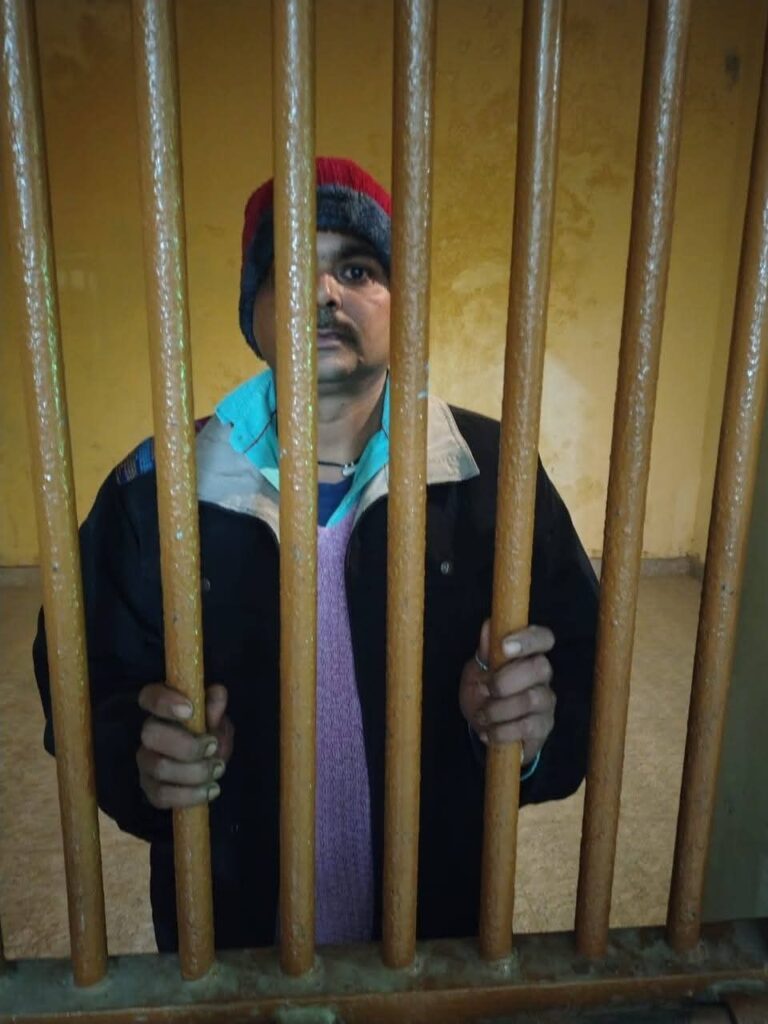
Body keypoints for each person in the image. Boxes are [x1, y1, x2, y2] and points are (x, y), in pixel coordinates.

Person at [34, 157, 598, 952]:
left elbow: (582, 668)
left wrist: (528, 738)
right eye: (293, 272)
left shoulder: (493, 473)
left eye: (358, 270)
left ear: (401, 305)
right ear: (255, 312)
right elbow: (79, 675)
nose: (325, 294)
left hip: (436, 935)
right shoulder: (156, 488)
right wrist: (141, 758)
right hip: (230, 939)